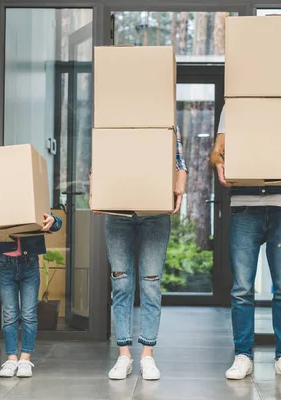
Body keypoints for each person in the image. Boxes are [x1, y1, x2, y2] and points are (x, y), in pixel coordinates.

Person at [209, 105, 281, 381]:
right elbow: (216, 150)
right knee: (242, 288)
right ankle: (242, 355)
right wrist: (218, 162)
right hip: (244, 206)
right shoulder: (234, 105)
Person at [90, 130, 188, 381]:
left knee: (151, 283)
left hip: (155, 211)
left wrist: (180, 186)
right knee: (121, 282)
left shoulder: (164, 121)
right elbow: (99, 162)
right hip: (119, 210)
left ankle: (147, 355)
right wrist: (95, 190)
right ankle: (124, 355)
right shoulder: (114, 121)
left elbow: (179, 162)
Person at [0, 212, 62, 378]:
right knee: (9, 315)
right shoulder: (2, 205)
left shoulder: (32, 203)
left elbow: (56, 223)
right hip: (5, 266)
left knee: (29, 314)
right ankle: (11, 358)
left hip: (29, 265)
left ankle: (25, 358)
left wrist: (53, 220)